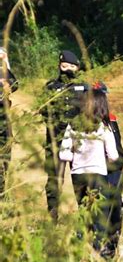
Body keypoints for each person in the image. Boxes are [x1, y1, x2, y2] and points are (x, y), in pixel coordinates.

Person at [59, 89, 119, 252]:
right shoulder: (103, 127)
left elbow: (63, 154)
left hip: (78, 175)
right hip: (98, 174)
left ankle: (80, 249)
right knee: (99, 218)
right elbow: (113, 155)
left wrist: (77, 157)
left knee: (84, 212)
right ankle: (98, 253)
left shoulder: (73, 125)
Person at [42, 50, 87, 220]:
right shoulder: (50, 87)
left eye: (71, 66)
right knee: (54, 180)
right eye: (64, 66)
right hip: (56, 140)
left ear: (77, 68)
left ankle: (85, 219)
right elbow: (44, 111)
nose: (67, 69)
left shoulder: (84, 87)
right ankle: (53, 217)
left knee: (82, 180)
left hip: (79, 141)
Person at [92, 81, 123, 255]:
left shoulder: (111, 119)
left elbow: (118, 146)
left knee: (115, 209)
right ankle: (97, 250)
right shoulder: (83, 122)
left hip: (114, 171)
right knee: (99, 212)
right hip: (96, 172)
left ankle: (111, 249)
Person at [0, 47, 18, 196]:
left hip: (3, 120)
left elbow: (15, 85)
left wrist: (5, 62)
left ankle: (2, 191)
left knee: (6, 155)